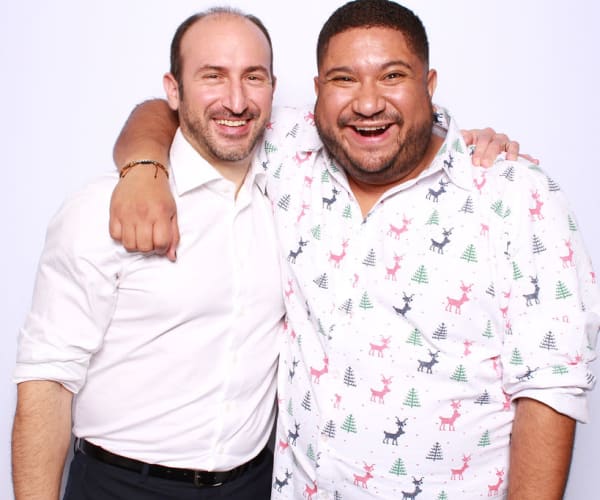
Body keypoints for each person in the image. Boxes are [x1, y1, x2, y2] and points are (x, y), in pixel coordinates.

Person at [108, 1, 600, 499]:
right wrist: (145, 166)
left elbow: (551, 387)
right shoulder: (289, 153)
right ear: (318, 91)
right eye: (344, 80)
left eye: (392, 76)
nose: (367, 104)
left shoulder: (515, 196)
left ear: (428, 86)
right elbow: (170, 109)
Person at [12, 8, 284, 500]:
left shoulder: (295, 194)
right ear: (174, 90)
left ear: (273, 87)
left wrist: (469, 143)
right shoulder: (101, 209)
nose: (237, 99)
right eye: (213, 76)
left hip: (254, 484)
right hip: (121, 485)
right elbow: (47, 381)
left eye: (254, 77)